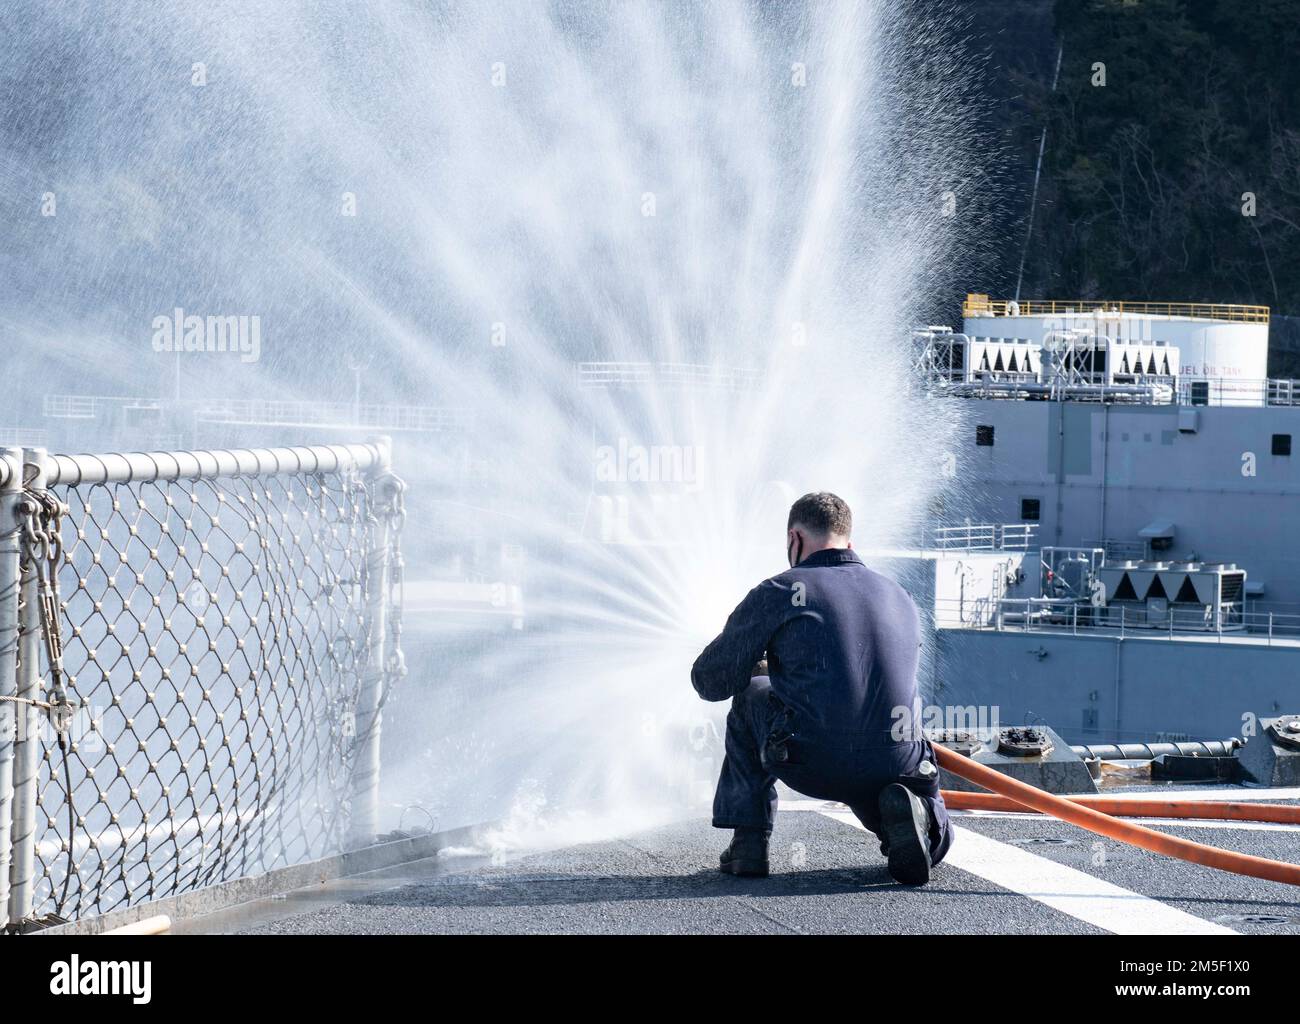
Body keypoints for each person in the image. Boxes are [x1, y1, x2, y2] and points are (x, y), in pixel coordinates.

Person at [691, 492, 953, 885]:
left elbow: (711, 681)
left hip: (811, 761)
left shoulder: (782, 590)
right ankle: (909, 819)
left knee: (749, 697)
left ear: (795, 539)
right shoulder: (900, 595)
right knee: (932, 831)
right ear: (850, 542)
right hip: (896, 762)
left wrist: (758, 667)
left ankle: (749, 841)